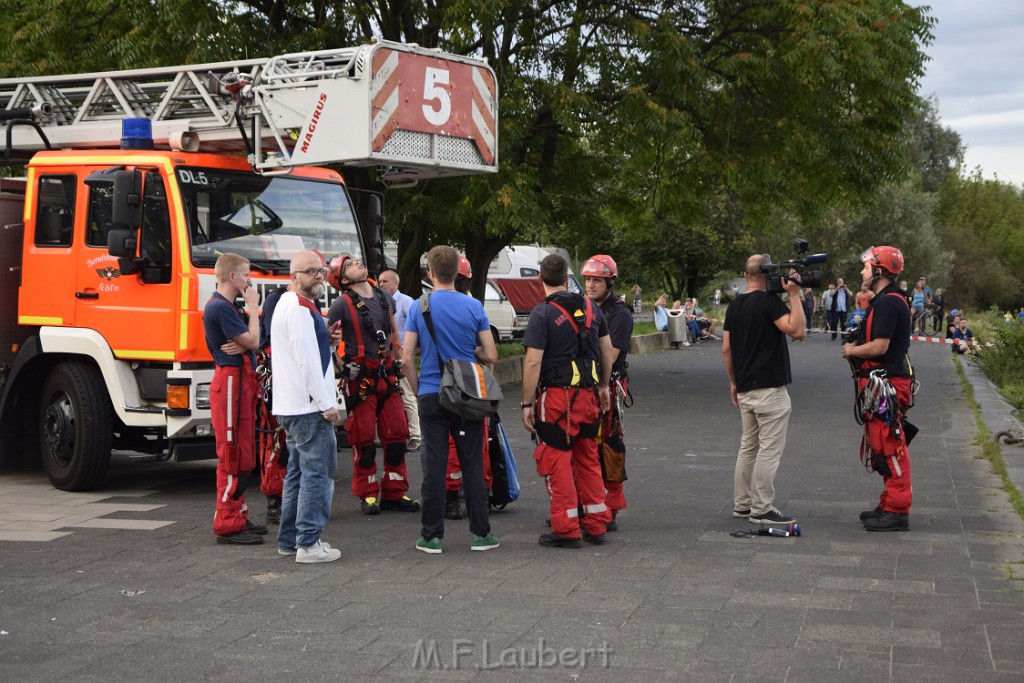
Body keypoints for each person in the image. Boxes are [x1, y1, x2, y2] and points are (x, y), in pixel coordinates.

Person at [403, 246, 500, 554]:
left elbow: (406, 359)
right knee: (471, 462)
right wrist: (472, 354)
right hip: (466, 395)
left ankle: (431, 536)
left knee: (434, 464)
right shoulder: (474, 307)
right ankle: (481, 534)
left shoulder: (419, 307)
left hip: (432, 393)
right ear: (458, 272)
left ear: (429, 272)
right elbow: (492, 355)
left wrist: (419, 390)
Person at [522, 254, 614, 548]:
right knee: (588, 459)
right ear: (567, 278)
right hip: (588, 396)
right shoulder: (591, 308)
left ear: (541, 279)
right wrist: (603, 387)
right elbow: (607, 350)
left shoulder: (542, 313)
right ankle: (597, 524)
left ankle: (566, 529)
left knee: (557, 461)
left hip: (559, 400)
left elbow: (533, 362)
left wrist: (526, 403)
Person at [327, 256, 419, 515]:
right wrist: (341, 365)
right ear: (343, 279)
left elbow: (392, 333)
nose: (357, 263)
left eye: (356, 260)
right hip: (361, 380)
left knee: (398, 434)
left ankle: (394, 492)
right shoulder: (340, 305)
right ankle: (367, 494)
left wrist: (399, 358)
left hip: (387, 376)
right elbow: (328, 340)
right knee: (364, 439)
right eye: (349, 265)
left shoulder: (384, 297)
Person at [722, 254, 806, 525]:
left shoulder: (734, 306)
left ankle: (743, 505)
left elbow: (726, 348)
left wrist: (734, 382)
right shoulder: (770, 303)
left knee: (748, 447)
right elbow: (797, 331)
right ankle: (761, 508)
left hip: (746, 386)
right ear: (769, 275)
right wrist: (794, 295)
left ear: (746, 276)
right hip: (770, 388)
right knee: (769, 449)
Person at [271, 250, 343, 562]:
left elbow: (302, 351)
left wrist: (324, 338)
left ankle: (290, 540)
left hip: (293, 404)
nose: (318, 276)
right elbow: (307, 361)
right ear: (294, 275)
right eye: (311, 271)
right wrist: (327, 403)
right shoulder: (300, 307)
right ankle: (309, 544)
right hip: (308, 406)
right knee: (318, 474)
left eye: (322, 271)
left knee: (298, 474)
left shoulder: (291, 304)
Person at [841, 246, 915, 532]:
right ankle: (889, 502)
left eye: (867, 267)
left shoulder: (887, 303)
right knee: (881, 441)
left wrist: (851, 350)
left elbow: (880, 346)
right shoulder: (885, 300)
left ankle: (898, 509)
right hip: (881, 384)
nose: (863, 271)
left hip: (888, 384)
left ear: (880, 271)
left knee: (889, 442)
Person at [203, 253, 268, 545]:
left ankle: (237, 514)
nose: (249, 281)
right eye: (245, 275)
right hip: (231, 383)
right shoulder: (221, 308)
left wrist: (248, 342)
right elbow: (253, 341)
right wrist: (253, 309)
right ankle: (227, 523)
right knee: (232, 451)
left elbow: (254, 342)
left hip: (240, 382)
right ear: (231, 277)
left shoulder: (227, 307)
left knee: (242, 449)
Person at [582, 254, 633, 530]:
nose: (590, 285)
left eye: (596, 281)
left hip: (609, 384)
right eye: (588, 280)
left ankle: (610, 507)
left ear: (609, 282)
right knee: (587, 445)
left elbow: (610, 356)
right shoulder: (585, 308)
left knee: (610, 444)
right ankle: (588, 503)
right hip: (587, 383)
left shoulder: (619, 313)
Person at [443, 255, 494, 520]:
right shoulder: (474, 307)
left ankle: (450, 499)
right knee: (478, 443)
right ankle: (482, 499)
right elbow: (490, 353)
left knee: (448, 444)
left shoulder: (429, 305)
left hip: (443, 383)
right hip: (474, 382)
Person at [377, 269, 422, 453]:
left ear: (396, 283)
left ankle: (415, 436)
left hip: (401, 356)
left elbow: (417, 326)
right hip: (386, 354)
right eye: (379, 282)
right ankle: (391, 432)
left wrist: (410, 352)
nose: (381, 285)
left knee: (408, 395)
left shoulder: (406, 302)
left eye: (385, 282)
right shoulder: (381, 302)